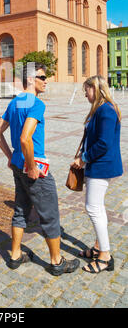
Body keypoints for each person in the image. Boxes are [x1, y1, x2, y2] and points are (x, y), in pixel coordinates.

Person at [0, 62, 80, 276]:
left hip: (17, 166)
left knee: (21, 210)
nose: (46, 81)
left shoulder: (14, 102)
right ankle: (57, 262)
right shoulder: (36, 103)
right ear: (31, 79)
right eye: (42, 77)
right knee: (50, 215)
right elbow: (25, 138)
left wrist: (11, 157)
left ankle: (15, 256)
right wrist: (31, 166)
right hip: (36, 169)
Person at [71, 75, 123, 274]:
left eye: (87, 89)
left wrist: (83, 158)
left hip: (102, 166)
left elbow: (103, 143)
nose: (85, 93)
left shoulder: (106, 111)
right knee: (97, 207)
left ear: (97, 89)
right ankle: (99, 247)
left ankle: (105, 257)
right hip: (98, 165)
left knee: (93, 208)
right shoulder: (100, 110)